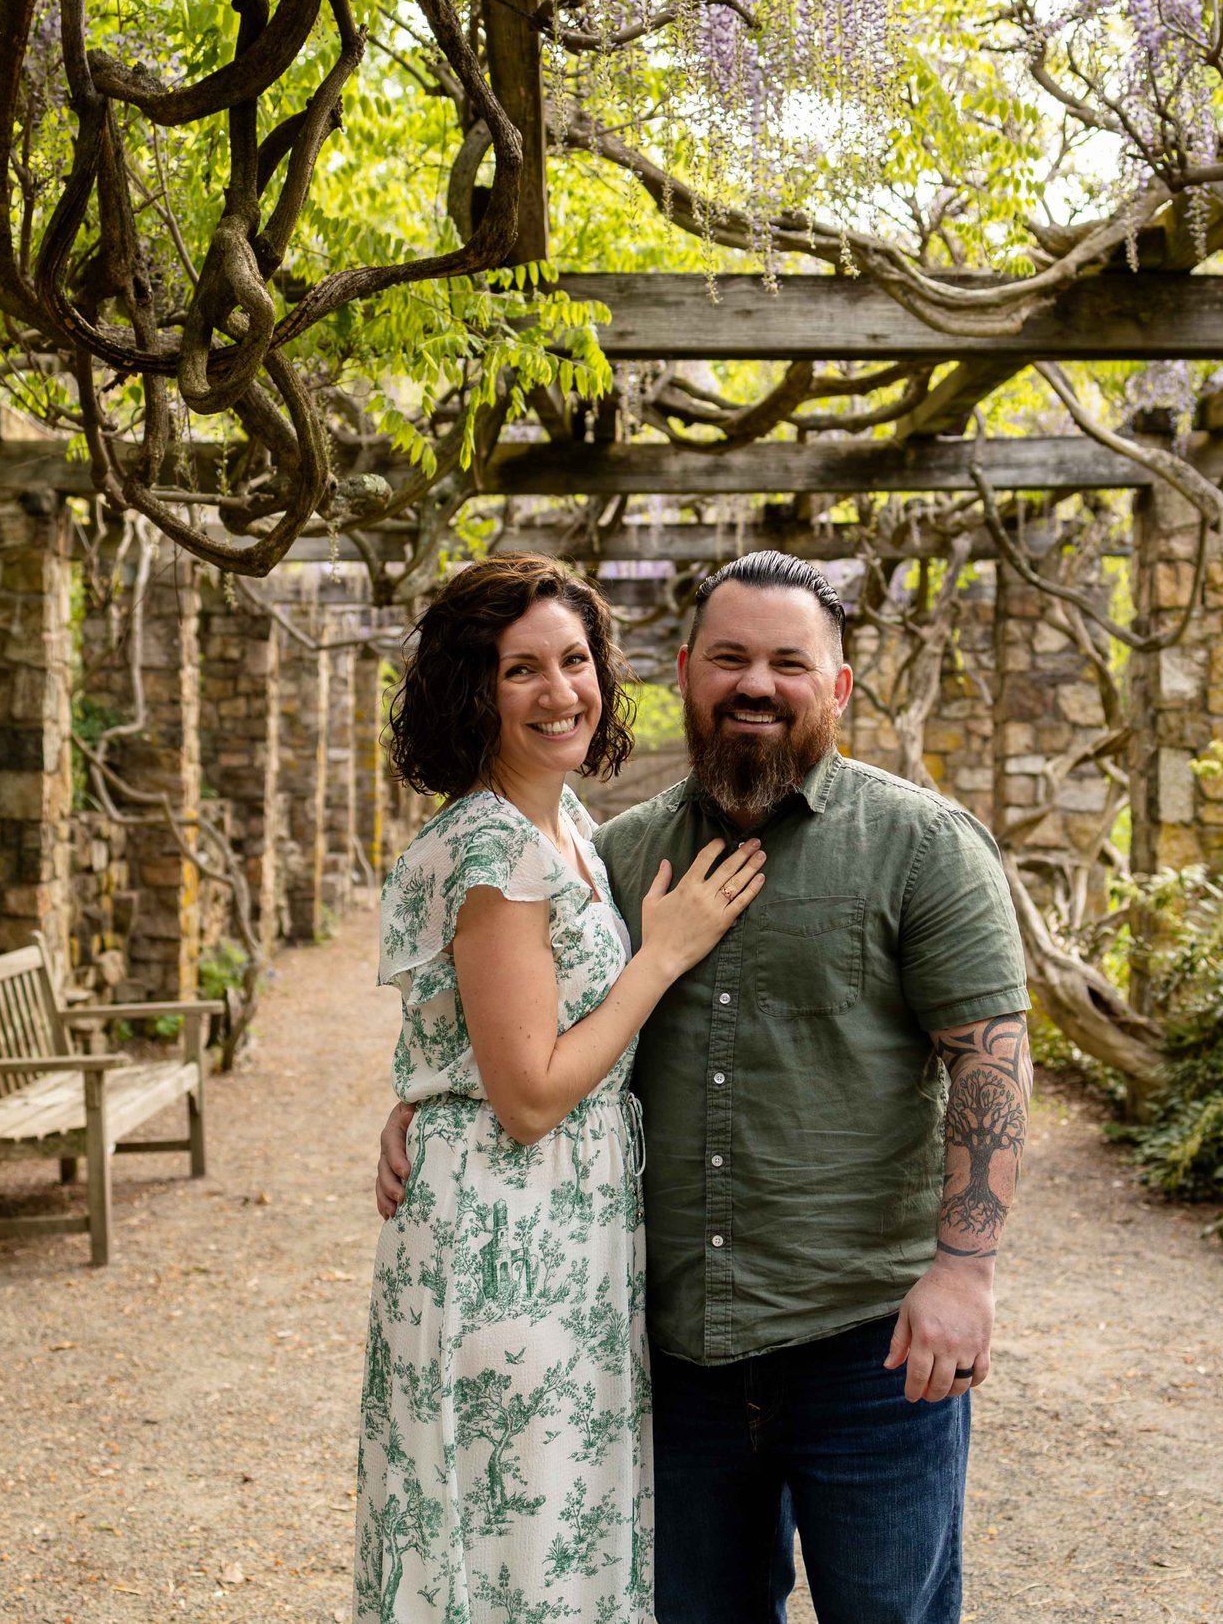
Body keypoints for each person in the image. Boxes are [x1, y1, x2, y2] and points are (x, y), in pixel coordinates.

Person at [379, 550, 1035, 1624]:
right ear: (683, 672)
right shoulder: (617, 856)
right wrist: (429, 1103)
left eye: (789, 660)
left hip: (863, 1351)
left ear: (837, 685)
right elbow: (530, 1024)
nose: (755, 683)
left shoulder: (921, 845)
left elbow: (991, 1059)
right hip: (665, 1356)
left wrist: (965, 1267)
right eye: (729, 656)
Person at [355, 553, 768, 1624]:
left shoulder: (568, 827)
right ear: (471, 690)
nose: (561, 691)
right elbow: (529, 1092)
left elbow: (478, 1040)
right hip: (503, 1242)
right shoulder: (497, 846)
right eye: (520, 669)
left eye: (576, 660)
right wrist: (661, 954)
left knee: (556, 1531)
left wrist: (422, 1091)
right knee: (504, 1542)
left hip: (563, 1233)